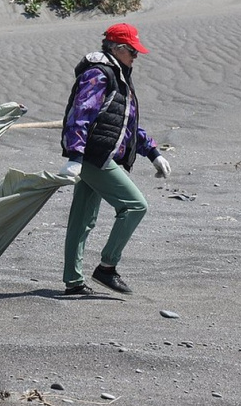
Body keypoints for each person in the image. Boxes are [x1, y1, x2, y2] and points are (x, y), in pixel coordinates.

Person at [58, 23, 171, 296]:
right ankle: (107, 267)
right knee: (135, 206)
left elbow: (126, 123)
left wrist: (152, 152)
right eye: (133, 51)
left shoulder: (119, 75)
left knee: (82, 218)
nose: (136, 56)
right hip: (95, 156)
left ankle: (73, 283)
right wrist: (75, 155)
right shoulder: (99, 75)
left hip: (95, 155)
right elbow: (80, 114)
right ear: (118, 48)